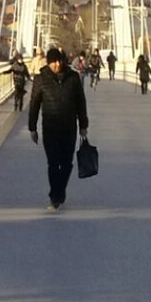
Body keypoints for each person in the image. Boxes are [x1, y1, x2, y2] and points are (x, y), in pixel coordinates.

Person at [28, 46, 89, 211]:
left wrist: (83, 125)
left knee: (67, 163)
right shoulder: (40, 79)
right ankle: (56, 196)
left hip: (69, 127)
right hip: (50, 128)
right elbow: (34, 104)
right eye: (54, 61)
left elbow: (81, 103)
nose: (57, 64)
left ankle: (59, 191)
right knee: (53, 163)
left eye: (59, 61)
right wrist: (32, 128)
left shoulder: (73, 78)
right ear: (48, 63)